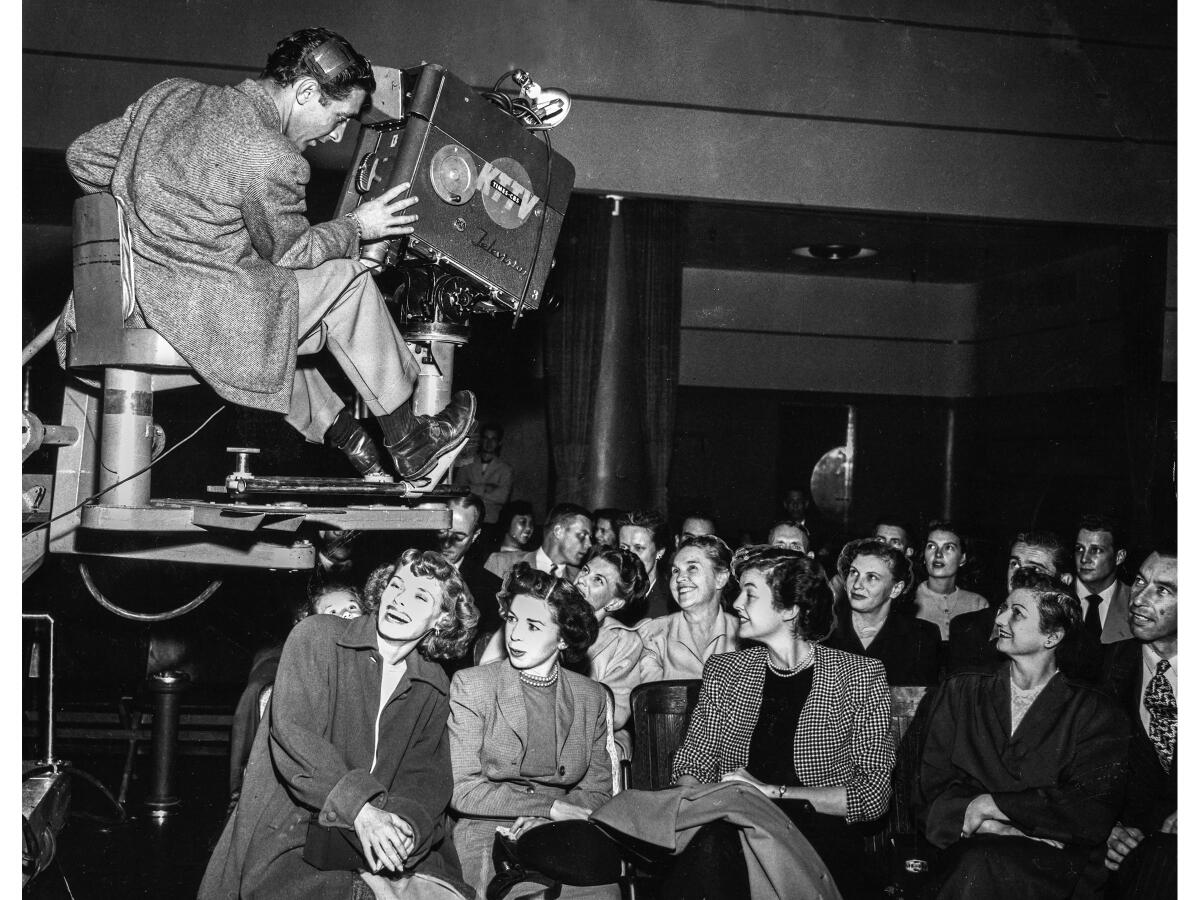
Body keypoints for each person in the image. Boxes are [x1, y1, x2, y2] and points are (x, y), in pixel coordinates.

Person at [59, 27, 474, 482]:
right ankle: (411, 443)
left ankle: (354, 442)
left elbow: (84, 157)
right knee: (346, 281)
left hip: (124, 302)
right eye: (338, 117)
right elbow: (295, 252)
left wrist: (150, 222)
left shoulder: (171, 96)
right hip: (194, 317)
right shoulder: (271, 155)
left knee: (281, 313)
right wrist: (360, 226)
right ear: (306, 91)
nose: (336, 137)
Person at [200, 549, 480, 900]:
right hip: (296, 832)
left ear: (441, 620)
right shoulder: (318, 636)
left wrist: (405, 826)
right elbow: (295, 735)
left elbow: (427, 777)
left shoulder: (433, 685)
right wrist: (361, 809)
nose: (399, 600)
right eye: (396, 585)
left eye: (420, 596)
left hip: (380, 838)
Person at [670, 545, 894, 898]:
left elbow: (873, 793)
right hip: (735, 829)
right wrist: (691, 808)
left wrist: (771, 793)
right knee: (710, 844)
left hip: (817, 837)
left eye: (750, 594)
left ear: (790, 609)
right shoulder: (726, 671)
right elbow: (695, 759)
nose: (736, 604)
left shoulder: (859, 676)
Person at [914, 569, 1129, 900]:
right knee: (976, 861)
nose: (1000, 618)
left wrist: (990, 803)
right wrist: (994, 825)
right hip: (964, 845)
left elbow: (1090, 810)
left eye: (1017, 613)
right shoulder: (961, 691)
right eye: (1003, 607)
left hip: (1053, 867)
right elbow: (928, 785)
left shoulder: (1094, 711)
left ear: (1052, 637)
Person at [448, 563, 618, 899]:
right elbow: (463, 789)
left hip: (565, 829)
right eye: (512, 619)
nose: (514, 635)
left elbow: (598, 790)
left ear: (563, 639)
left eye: (533, 625)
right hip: (487, 825)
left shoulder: (592, 697)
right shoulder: (472, 685)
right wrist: (549, 808)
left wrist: (554, 820)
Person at [1101, 546, 1177, 899]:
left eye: (1163, 590)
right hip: (1120, 855)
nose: (1139, 598)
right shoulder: (1101, 667)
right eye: (1139, 582)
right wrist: (1104, 828)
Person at [946, 530, 1073, 675]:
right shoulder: (966, 627)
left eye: (1035, 569)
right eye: (1015, 564)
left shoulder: (1076, 643)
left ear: (1064, 581)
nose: (1019, 574)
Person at [826, 538, 940, 685]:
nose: (857, 585)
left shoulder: (922, 636)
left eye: (872, 577)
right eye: (854, 573)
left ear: (895, 589)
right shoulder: (824, 631)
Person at [572, 548, 649, 756]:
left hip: (589, 736)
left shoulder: (625, 642)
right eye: (585, 570)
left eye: (597, 580)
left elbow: (616, 714)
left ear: (614, 602)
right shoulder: (546, 614)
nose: (581, 580)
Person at [636, 534, 742, 681]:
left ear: (720, 578)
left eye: (692, 568)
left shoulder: (743, 636)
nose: (679, 578)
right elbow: (649, 698)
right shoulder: (653, 635)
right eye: (675, 571)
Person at [1071, 513, 1133, 683]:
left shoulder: (1136, 603)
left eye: (1096, 550)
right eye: (1079, 549)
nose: (1084, 559)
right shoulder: (1057, 596)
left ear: (1119, 557)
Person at [435, 493, 503, 637]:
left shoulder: (491, 591)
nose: (446, 543)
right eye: (441, 531)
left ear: (475, 535)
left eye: (458, 538)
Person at [914, 520, 988, 641]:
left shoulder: (978, 604)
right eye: (931, 546)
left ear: (962, 558)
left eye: (948, 547)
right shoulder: (908, 601)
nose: (938, 554)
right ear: (924, 555)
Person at [491, 503, 593, 584]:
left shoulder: (580, 580)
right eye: (582, 535)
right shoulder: (501, 563)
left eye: (590, 538)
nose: (589, 544)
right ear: (558, 531)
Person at [617, 508, 673, 621]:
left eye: (639, 548)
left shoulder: (671, 602)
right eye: (624, 548)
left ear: (660, 551)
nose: (630, 556)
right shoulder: (611, 591)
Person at [461, 423, 514, 528]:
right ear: (481, 440)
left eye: (493, 439)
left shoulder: (505, 469)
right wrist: (486, 488)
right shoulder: (467, 464)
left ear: (499, 442)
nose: (489, 443)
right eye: (486, 438)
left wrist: (471, 488)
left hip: (492, 522)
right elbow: (459, 489)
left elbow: (502, 497)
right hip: (467, 519)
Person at [484, 500, 536, 578]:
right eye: (523, 522)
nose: (529, 528)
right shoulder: (495, 558)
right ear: (507, 522)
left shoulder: (532, 557)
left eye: (531, 523)